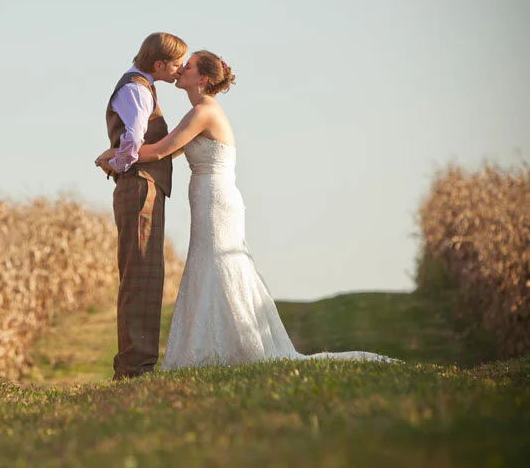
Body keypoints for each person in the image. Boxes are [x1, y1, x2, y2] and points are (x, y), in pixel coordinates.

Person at [96, 50, 396, 369]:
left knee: (217, 263)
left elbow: (158, 151)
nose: (181, 68)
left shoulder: (204, 113)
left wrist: (113, 156)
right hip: (207, 195)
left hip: (216, 197)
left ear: (203, 79)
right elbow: (167, 152)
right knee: (207, 261)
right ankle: (216, 345)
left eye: (190, 65)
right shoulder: (199, 112)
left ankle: (229, 348)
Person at [98, 32, 187, 380]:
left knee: (145, 273)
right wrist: (117, 163)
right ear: (160, 64)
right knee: (140, 275)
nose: (179, 70)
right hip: (138, 186)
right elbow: (133, 140)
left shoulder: (143, 86)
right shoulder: (137, 88)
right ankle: (134, 367)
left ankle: (137, 364)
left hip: (143, 186)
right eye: (177, 63)